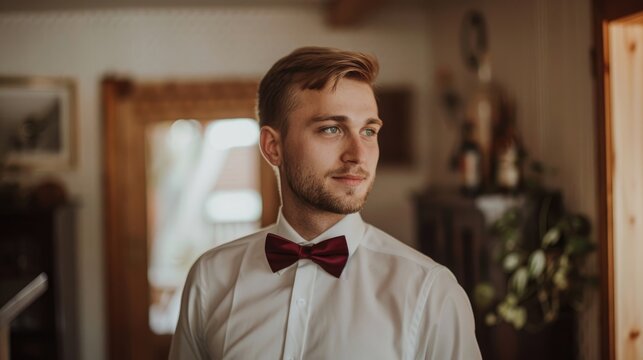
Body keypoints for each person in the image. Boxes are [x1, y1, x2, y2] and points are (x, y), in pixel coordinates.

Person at [169, 46, 482, 359]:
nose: (358, 154)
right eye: (332, 129)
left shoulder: (431, 293)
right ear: (272, 146)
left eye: (369, 131)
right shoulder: (211, 279)